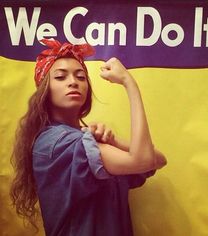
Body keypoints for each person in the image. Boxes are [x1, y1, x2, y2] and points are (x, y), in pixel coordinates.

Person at [10, 38, 167, 236]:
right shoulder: (55, 144)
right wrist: (130, 84)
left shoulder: (87, 142)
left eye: (81, 77)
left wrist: (113, 141)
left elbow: (158, 160)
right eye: (60, 77)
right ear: (44, 90)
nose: (73, 82)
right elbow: (142, 160)